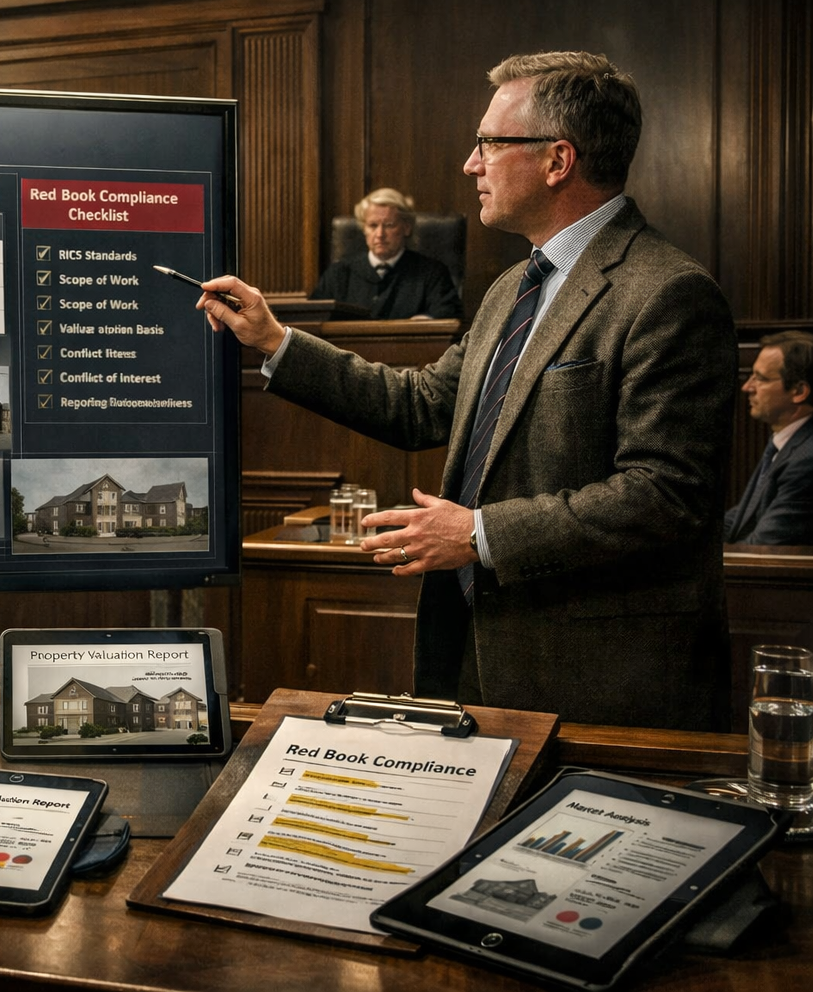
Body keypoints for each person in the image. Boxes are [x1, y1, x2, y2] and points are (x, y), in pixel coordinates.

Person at [196, 52, 738, 730]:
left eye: (488, 143)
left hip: (599, 678)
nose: (469, 164)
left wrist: (480, 534)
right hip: (480, 653)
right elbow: (422, 404)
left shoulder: (667, 292)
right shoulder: (515, 286)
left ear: (557, 160)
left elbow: (666, 496)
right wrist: (275, 341)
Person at [308, 188, 462, 320]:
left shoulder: (432, 273)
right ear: (364, 229)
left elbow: (449, 316)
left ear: (406, 228)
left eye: (389, 225)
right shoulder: (338, 274)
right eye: (373, 225)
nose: (380, 234)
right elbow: (314, 320)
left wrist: (427, 321)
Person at [724, 330, 813, 545]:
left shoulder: (807, 459)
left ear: (799, 391)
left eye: (760, 378)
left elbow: (766, 545)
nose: (747, 387)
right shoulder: (786, 442)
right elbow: (741, 518)